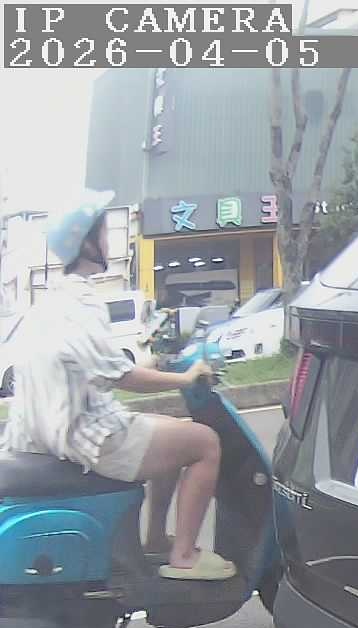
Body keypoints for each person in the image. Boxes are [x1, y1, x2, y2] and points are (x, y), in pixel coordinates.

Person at [1, 189, 234, 581]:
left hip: (47, 432)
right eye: (105, 232)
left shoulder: (49, 302)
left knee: (172, 432)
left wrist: (152, 363)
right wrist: (184, 377)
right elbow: (119, 377)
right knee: (205, 443)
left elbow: (94, 366)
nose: (110, 240)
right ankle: (184, 555)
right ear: (87, 242)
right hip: (86, 436)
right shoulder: (81, 303)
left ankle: (156, 539)